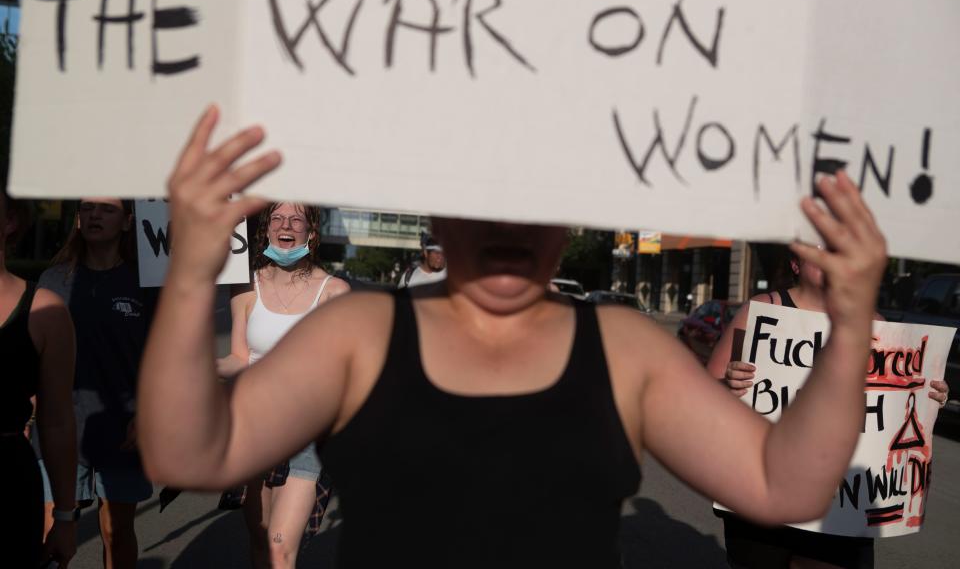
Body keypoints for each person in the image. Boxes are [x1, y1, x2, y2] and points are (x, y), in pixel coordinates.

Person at [139, 107, 888, 567]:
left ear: (569, 218)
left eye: (534, 202)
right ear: (437, 216)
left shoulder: (626, 348)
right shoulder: (359, 333)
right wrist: (190, 275)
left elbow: (786, 483)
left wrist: (852, 323)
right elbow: (186, 452)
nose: (508, 228)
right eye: (482, 200)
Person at [705, 250, 950, 569]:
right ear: (795, 263)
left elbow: (891, 410)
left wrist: (927, 396)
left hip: (841, 503)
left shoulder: (874, 324)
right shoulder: (763, 310)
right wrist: (729, 382)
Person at [216, 201, 348, 569]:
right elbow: (239, 359)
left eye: (295, 218)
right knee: (260, 541)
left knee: (280, 548)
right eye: (276, 217)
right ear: (266, 230)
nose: (284, 224)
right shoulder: (245, 288)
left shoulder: (335, 293)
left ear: (311, 232)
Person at [37, 198, 155, 569]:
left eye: (106, 209)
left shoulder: (147, 284)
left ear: (126, 223)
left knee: (116, 532)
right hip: (59, 428)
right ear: (77, 220)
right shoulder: (53, 280)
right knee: (53, 534)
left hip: (123, 430)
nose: (94, 215)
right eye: (87, 208)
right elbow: (32, 352)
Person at [0, 183, 78, 568]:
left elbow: (58, 421)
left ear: (11, 220)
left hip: (9, 491)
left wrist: (65, 516)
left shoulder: (44, 311)